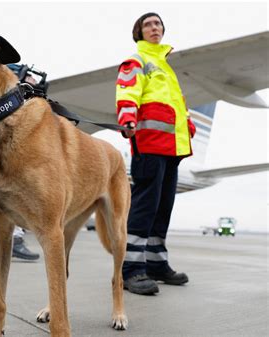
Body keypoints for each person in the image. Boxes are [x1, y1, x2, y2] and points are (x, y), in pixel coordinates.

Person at [115, 12, 196, 295]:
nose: (154, 27)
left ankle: (157, 264)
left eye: (158, 23)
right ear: (139, 32)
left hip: (173, 147)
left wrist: (187, 126)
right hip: (149, 143)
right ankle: (131, 270)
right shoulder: (138, 62)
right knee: (145, 206)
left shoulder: (165, 67)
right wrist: (127, 119)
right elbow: (127, 91)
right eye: (148, 24)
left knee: (163, 207)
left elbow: (176, 104)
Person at [0, 63, 42, 261]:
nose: (34, 82)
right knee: (16, 199)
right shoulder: (7, 104)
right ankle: (13, 241)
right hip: (12, 161)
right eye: (29, 78)